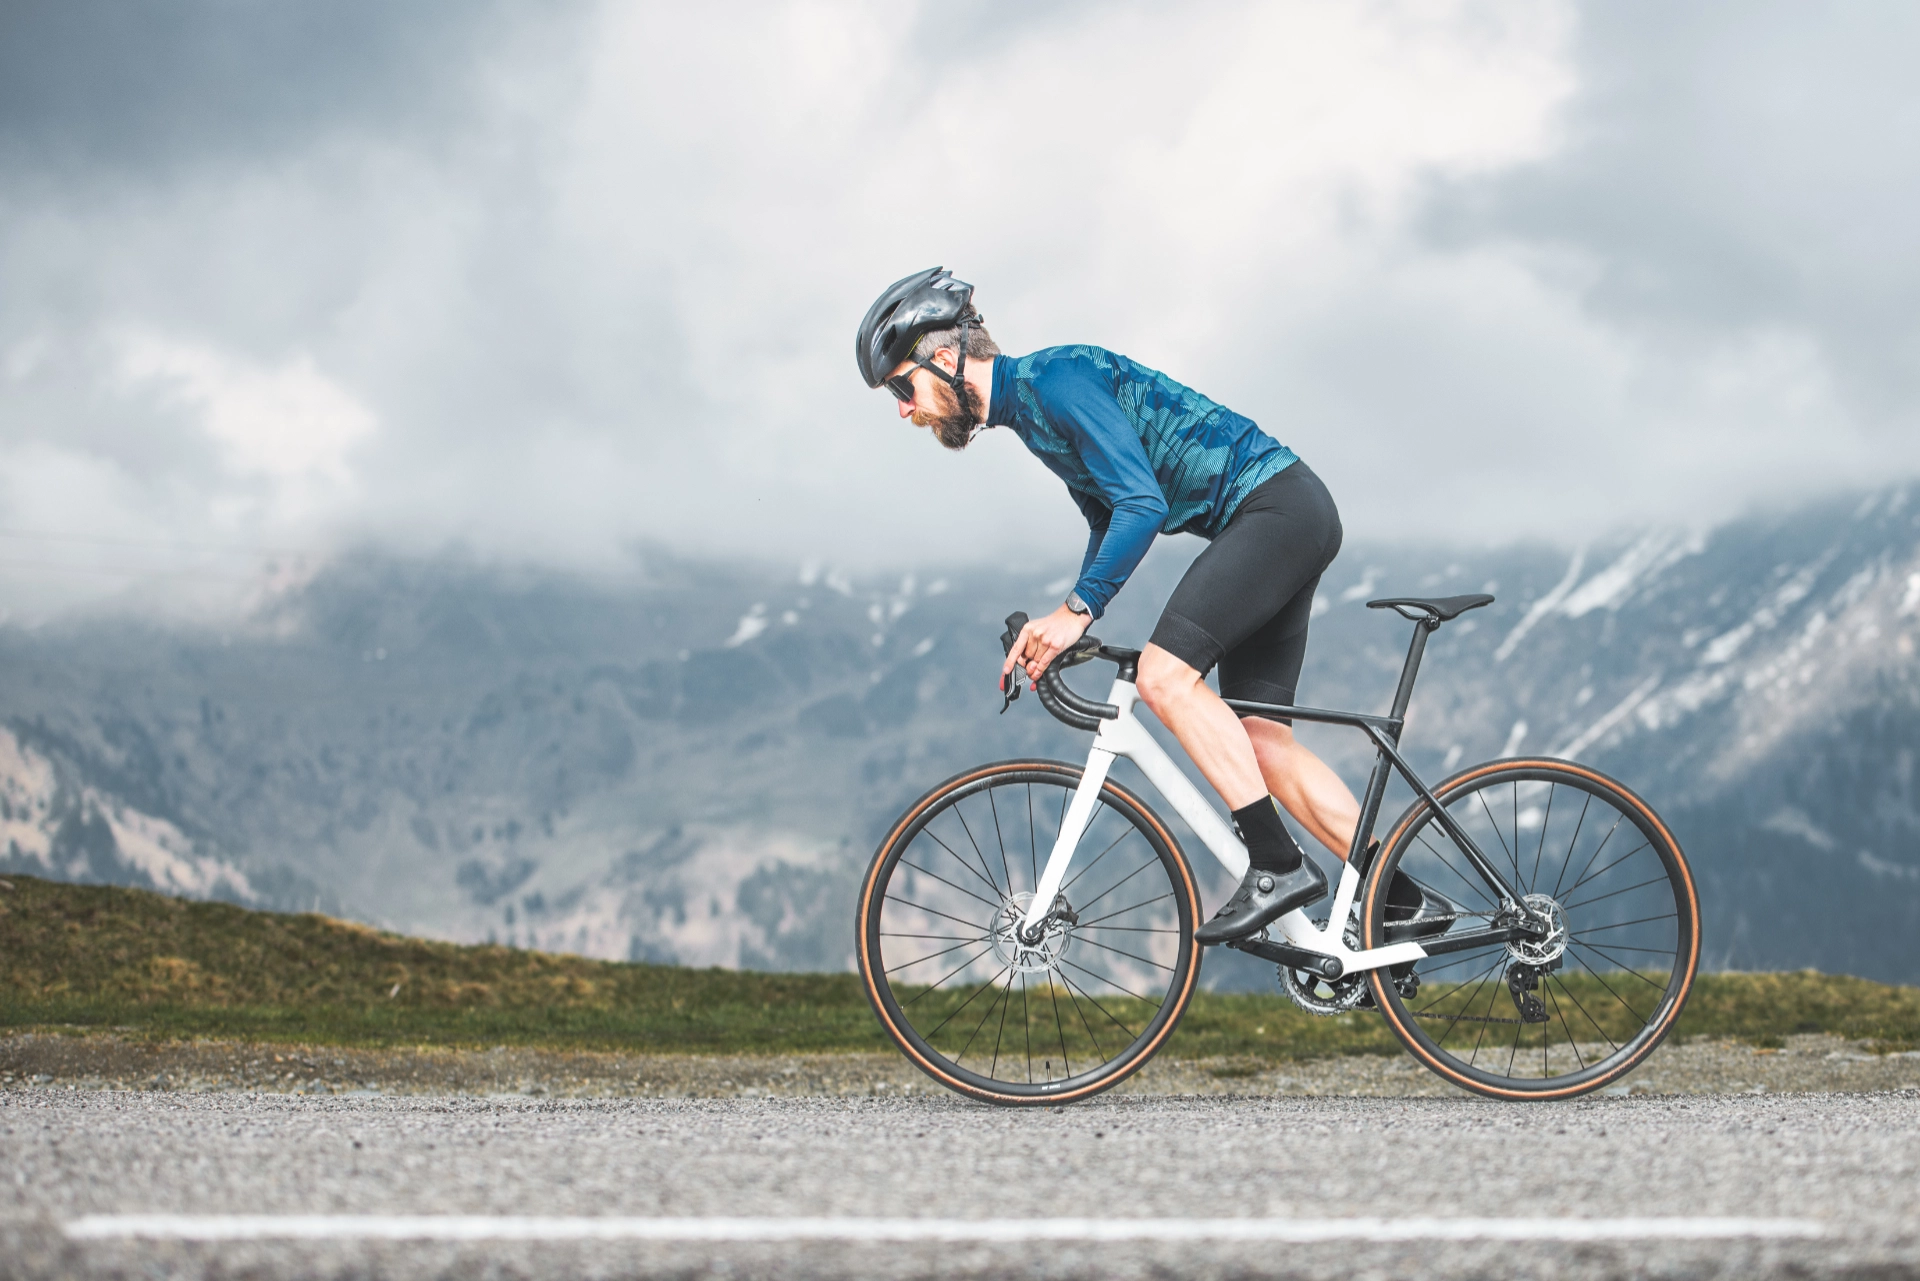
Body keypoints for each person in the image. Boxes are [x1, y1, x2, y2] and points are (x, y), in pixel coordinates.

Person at [856, 266, 1443, 945]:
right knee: (1261, 744)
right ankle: (1402, 899)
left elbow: (1143, 503)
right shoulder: (1031, 413)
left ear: (948, 356)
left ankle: (1278, 866)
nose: (904, 408)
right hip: (1282, 512)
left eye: (902, 385)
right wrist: (1073, 618)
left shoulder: (1055, 381)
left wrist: (1077, 609)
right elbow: (1110, 518)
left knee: (1167, 677)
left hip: (1274, 508)